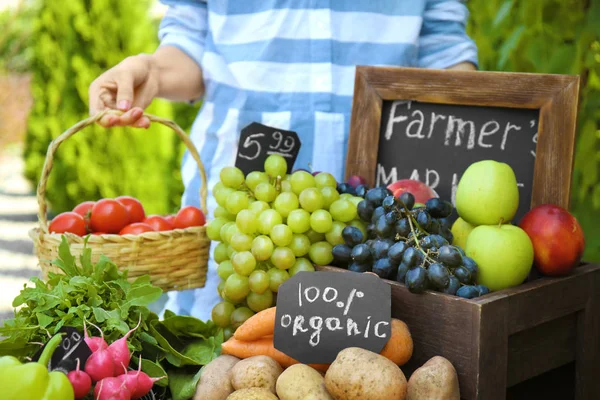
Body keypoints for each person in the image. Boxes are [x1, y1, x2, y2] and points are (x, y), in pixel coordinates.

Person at [88, 0, 478, 321]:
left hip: (382, 220)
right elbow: (190, 39)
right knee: (221, 368)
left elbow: (445, 50)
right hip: (242, 224)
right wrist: (152, 71)